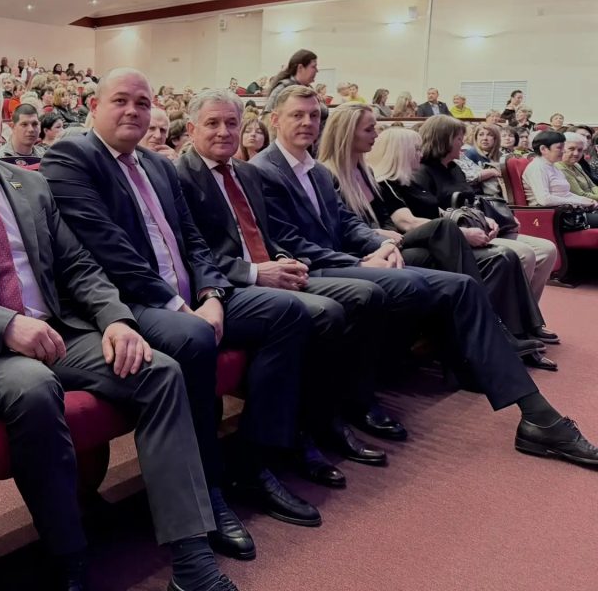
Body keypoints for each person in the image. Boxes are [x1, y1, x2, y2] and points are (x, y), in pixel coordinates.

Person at [0, 70, 238, 591]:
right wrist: (6, 324)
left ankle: (190, 557)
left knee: (159, 371)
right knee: (33, 386)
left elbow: (78, 266)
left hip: (56, 331)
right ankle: (68, 554)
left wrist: (116, 320)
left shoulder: (28, 183)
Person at [43, 68, 321, 561]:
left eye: (142, 102)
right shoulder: (71, 157)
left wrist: (212, 292)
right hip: (131, 303)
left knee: (288, 312)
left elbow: (192, 239)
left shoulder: (157, 164)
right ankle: (208, 492)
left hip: (192, 295)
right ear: (94, 107)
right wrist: (180, 306)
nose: (133, 111)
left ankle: (252, 461)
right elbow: (109, 249)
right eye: (120, 101)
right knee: (193, 337)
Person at [254, 85, 598, 470]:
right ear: (275, 119)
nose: (307, 122)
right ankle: (379, 391)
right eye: (297, 115)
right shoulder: (263, 170)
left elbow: (348, 222)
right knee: (410, 283)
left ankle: (536, 416)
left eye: (313, 115)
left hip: (349, 260)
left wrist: (380, 245)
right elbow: (288, 241)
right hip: (316, 267)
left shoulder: (316, 170)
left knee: (463, 286)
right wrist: (364, 261)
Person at [176, 90, 393, 485]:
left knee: (362, 299)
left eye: (231, 123)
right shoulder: (179, 177)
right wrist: (255, 273)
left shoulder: (246, 172)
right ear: (191, 129)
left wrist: (280, 259)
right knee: (324, 314)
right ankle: (291, 436)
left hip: (269, 274)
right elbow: (193, 251)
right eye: (212, 123)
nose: (224, 131)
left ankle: (323, 418)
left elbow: (263, 234)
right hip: (225, 285)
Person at [348, 120, 557, 360]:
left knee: (514, 255)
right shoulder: (394, 181)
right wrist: (461, 232)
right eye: (416, 149)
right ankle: (490, 335)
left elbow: (443, 212)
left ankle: (513, 329)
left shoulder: (411, 179)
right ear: (400, 152)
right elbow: (407, 223)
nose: (421, 153)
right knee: (505, 256)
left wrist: (479, 220)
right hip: (409, 246)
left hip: (430, 239)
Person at [414, 115, 558, 304]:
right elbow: (431, 215)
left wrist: (497, 218)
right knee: (524, 253)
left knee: (547, 250)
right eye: (459, 139)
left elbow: (473, 201)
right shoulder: (422, 171)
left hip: (478, 226)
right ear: (444, 140)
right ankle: (502, 315)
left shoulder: (454, 168)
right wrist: (468, 228)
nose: (463, 144)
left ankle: (527, 312)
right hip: (456, 235)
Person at [522, 130, 598, 226]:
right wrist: (579, 202)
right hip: (550, 217)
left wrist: (585, 200)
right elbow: (544, 200)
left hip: (566, 212)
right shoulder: (537, 167)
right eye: (559, 147)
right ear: (543, 149)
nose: (563, 151)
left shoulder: (552, 166)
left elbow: (565, 194)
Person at [559, 132, 598, 199]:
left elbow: (592, 186)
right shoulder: (560, 168)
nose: (576, 153)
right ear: (561, 149)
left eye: (580, 150)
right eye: (571, 149)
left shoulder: (576, 165)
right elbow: (580, 195)